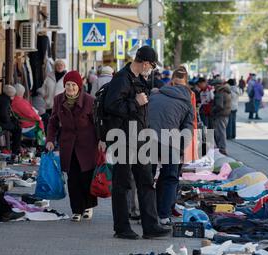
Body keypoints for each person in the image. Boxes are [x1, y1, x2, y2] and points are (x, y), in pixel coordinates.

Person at [103, 46, 170, 240]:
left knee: (146, 181)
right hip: (123, 137)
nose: (151, 69)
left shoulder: (140, 79)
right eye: (151, 65)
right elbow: (112, 106)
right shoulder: (122, 78)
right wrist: (135, 102)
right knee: (122, 183)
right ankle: (122, 228)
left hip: (140, 137)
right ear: (144, 62)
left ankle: (151, 226)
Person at [46, 71, 98, 222]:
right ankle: (76, 210)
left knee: (86, 177)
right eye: (68, 85)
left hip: (87, 144)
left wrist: (101, 141)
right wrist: (50, 139)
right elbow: (53, 122)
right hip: (68, 144)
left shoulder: (89, 101)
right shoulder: (58, 100)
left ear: (79, 86)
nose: (70, 88)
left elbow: (96, 124)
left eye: (73, 85)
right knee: (73, 178)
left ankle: (88, 206)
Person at [149, 71, 194, 226]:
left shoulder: (155, 95)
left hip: (147, 139)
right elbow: (187, 131)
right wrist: (181, 151)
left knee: (147, 176)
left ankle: (146, 212)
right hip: (170, 142)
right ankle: (163, 215)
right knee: (170, 177)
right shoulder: (187, 103)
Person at [0, 85, 21, 159]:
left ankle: (15, 150)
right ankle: (15, 151)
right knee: (17, 129)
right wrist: (11, 121)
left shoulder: (0, 98)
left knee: (16, 125)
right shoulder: (5, 101)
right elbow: (4, 117)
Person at [211, 79, 232, 155]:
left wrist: (212, 110)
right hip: (226, 114)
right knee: (222, 131)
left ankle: (222, 149)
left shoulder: (219, 92)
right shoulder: (226, 91)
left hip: (220, 115)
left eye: (214, 86)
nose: (213, 87)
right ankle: (222, 148)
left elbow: (219, 105)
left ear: (217, 85)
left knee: (220, 132)